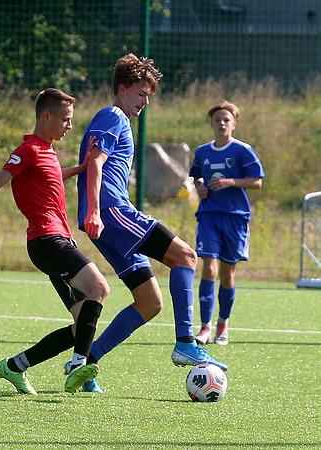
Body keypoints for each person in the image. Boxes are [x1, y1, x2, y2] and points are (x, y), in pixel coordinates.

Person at [73, 54, 228, 393]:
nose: (145, 102)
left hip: (106, 216)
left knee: (149, 302)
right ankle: (185, 342)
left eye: (149, 95)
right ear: (122, 88)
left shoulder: (115, 119)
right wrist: (95, 211)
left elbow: (94, 165)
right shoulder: (114, 116)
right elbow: (95, 163)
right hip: (112, 212)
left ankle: (87, 363)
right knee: (186, 257)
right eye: (141, 93)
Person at [0, 88, 110, 395]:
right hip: (48, 240)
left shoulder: (48, 151)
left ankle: (15, 366)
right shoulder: (28, 150)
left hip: (57, 241)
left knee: (82, 322)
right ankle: (78, 365)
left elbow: (50, 176)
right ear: (47, 116)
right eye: (65, 120)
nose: (70, 126)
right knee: (100, 288)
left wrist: (81, 168)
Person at [189, 100, 265, 346]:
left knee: (227, 274)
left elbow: (257, 181)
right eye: (217, 120)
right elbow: (196, 176)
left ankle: (223, 324)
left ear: (234, 124)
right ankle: (204, 328)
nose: (221, 123)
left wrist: (230, 182)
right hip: (209, 215)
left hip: (235, 216)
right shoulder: (203, 151)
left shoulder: (242, 150)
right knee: (208, 268)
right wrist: (200, 187)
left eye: (226, 120)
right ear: (211, 124)